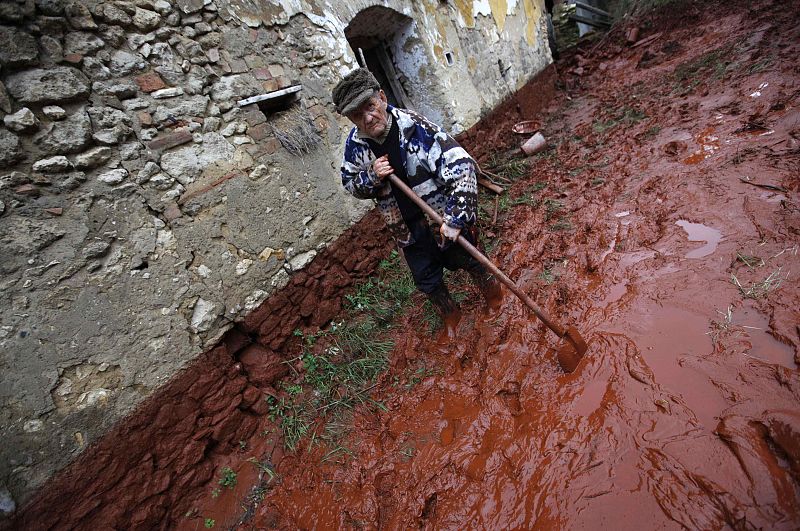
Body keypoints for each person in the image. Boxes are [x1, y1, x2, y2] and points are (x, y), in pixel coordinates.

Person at [331, 68, 502, 337]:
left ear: (382, 98)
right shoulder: (355, 146)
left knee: (472, 259)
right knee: (427, 279)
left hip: (442, 217)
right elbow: (351, 185)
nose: (367, 118)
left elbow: (463, 167)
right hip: (406, 228)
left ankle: (495, 299)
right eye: (356, 115)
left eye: (370, 107)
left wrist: (456, 219)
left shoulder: (416, 128)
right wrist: (371, 176)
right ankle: (452, 318)